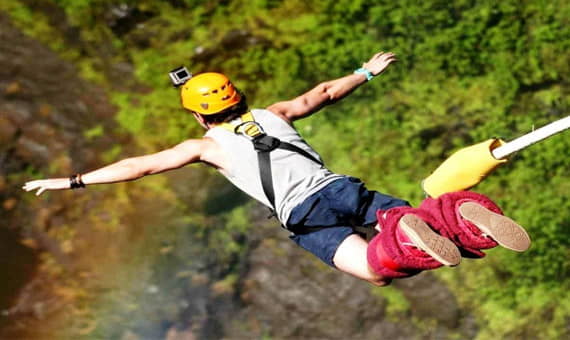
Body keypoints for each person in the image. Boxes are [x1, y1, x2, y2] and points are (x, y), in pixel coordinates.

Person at [23, 51, 530, 286]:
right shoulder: (274, 114)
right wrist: (364, 71)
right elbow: (323, 94)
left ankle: (406, 234)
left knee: (376, 270)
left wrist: (73, 180)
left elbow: (139, 167)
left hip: (303, 217)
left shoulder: (204, 147)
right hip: (339, 189)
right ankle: (460, 212)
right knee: (419, 217)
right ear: (238, 98)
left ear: (199, 115)